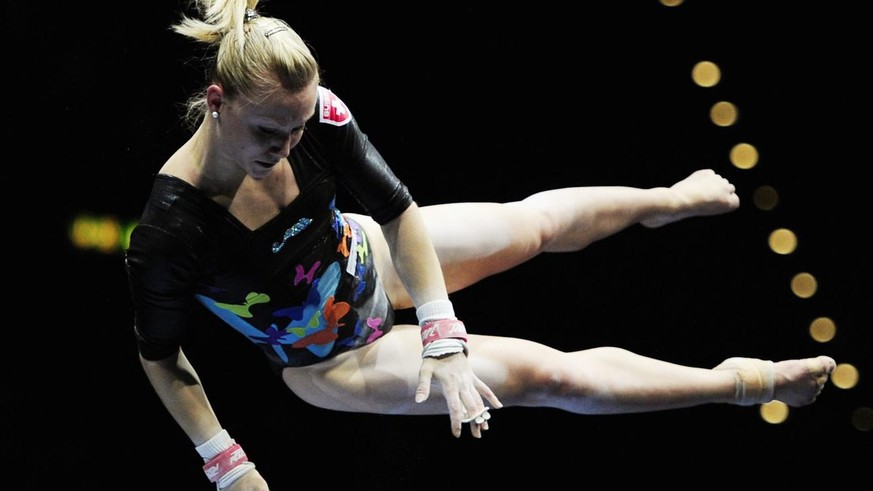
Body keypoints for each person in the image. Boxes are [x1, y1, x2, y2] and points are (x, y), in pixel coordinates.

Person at [125, 1, 837, 489]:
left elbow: (399, 209)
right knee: (547, 377)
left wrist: (440, 329)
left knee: (529, 224)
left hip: (369, 253)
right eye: (269, 134)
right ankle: (746, 381)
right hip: (332, 357)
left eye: (299, 129)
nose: (287, 147)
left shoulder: (314, 113)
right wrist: (226, 461)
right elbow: (162, 358)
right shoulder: (171, 230)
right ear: (218, 102)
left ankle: (663, 200)